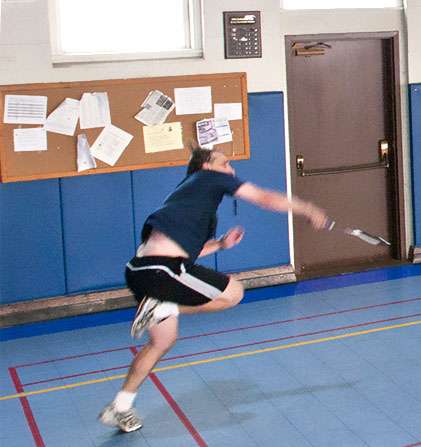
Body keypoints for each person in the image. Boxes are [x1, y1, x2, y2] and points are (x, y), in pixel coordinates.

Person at [100, 147, 329, 432]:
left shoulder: (187, 198)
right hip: (161, 270)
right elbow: (264, 199)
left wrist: (220, 244)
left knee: (162, 341)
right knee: (233, 293)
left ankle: (120, 406)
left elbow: (185, 254)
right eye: (225, 163)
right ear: (206, 167)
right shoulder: (208, 179)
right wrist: (307, 208)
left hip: (141, 271)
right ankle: (162, 306)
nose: (230, 169)